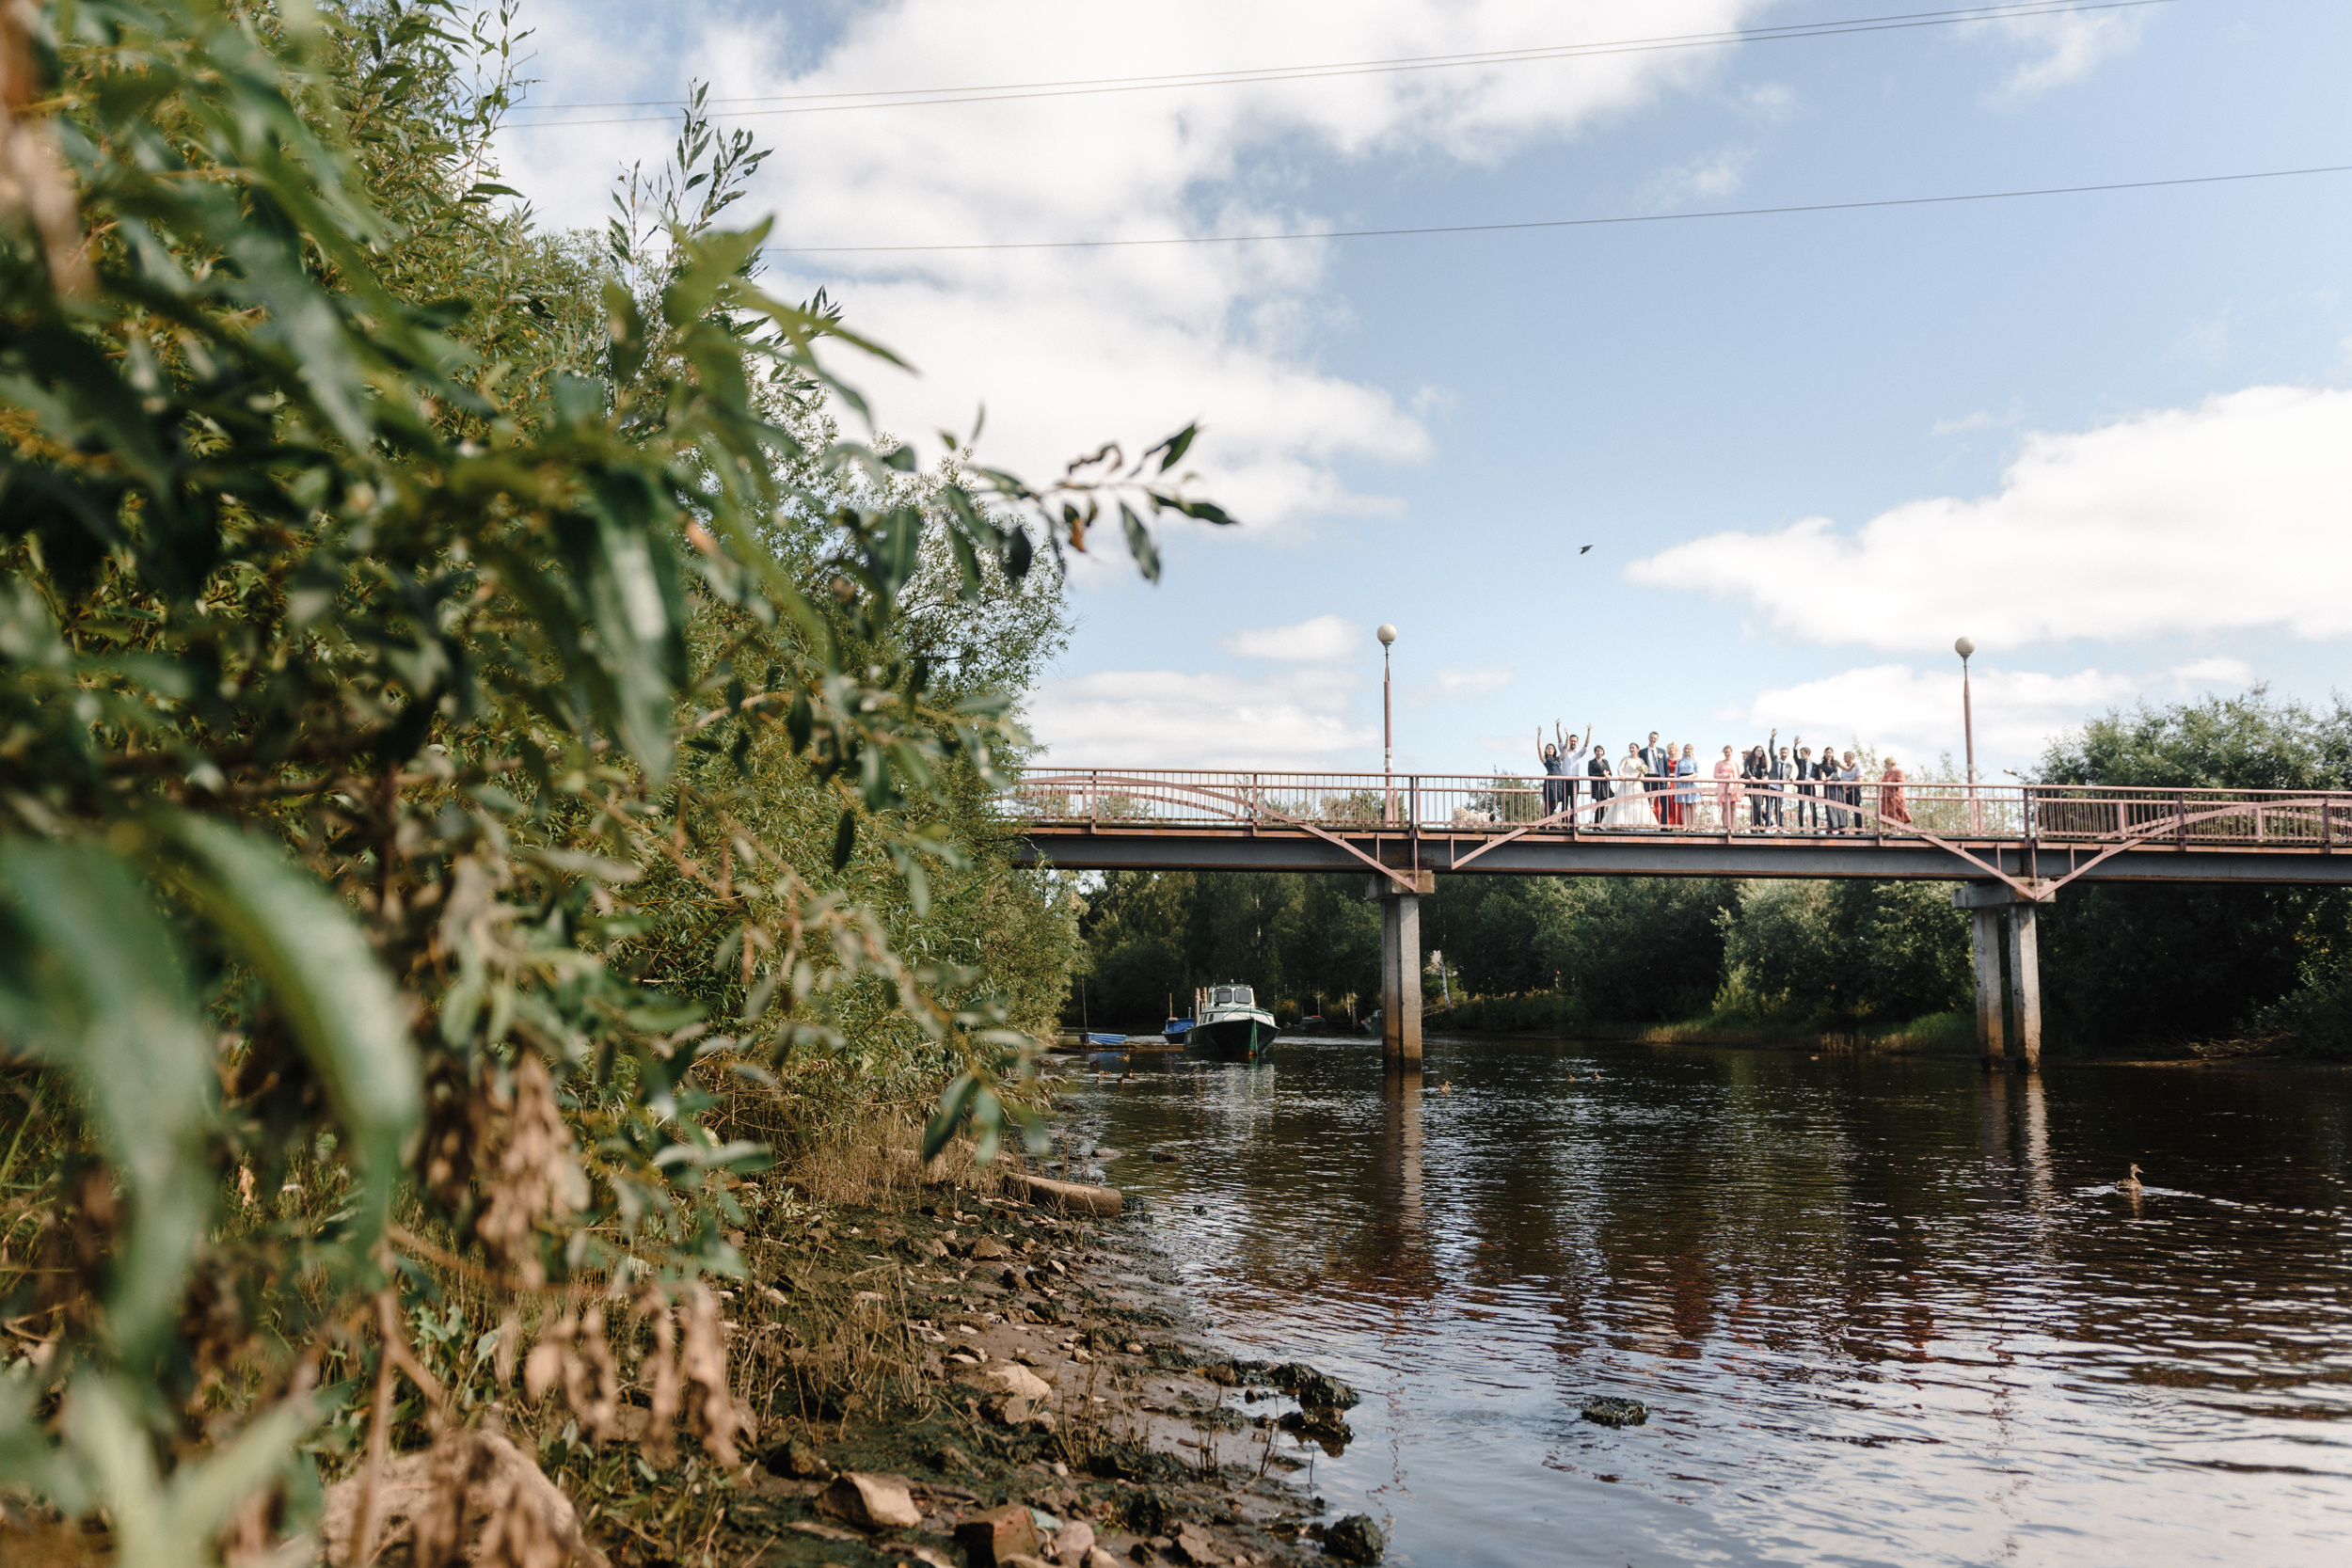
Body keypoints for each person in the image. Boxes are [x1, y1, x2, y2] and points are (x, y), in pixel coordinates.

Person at [1555, 722, 1594, 820]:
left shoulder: (1579, 753)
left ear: (1577, 742)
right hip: (1564, 780)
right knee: (1564, 803)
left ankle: (1573, 824)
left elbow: (1586, 744)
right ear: (1569, 741)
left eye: (1574, 741)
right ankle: (1564, 824)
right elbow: (1559, 740)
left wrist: (1589, 731)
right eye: (1571, 741)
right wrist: (1558, 727)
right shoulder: (1564, 751)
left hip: (1575, 781)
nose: (1573, 743)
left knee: (1573, 803)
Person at [1608, 744, 1650, 829]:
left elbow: (1643, 772)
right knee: (1623, 802)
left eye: (1633, 748)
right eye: (1630, 748)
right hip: (1626, 782)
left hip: (1636, 783)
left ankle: (1639, 823)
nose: (1631, 749)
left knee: (1637, 802)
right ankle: (1621, 823)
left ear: (1638, 750)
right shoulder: (1626, 759)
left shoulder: (1641, 760)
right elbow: (1620, 768)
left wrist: (1641, 776)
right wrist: (1621, 775)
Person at [1535, 729, 1568, 819]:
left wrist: (1567, 737)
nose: (1550, 750)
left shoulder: (1558, 759)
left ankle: (1547, 819)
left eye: (1552, 748)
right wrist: (1539, 735)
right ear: (1546, 750)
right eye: (1548, 748)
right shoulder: (1545, 759)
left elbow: (1565, 749)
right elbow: (1539, 747)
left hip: (1559, 782)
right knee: (1549, 802)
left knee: (1556, 802)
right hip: (1550, 782)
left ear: (1554, 750)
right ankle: (1546, 820)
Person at [1638, 731, 1669, 823]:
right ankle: (1646, 823)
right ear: (1648, 738)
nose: (1653, 740)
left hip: (1660, 778)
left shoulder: (1661, 751)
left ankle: (1664, 825)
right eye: (1652, 738)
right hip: (1649, 778)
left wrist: (1667, 780)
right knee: (1646, 801)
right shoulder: (1642, 752)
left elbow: (1665, 766)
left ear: (1657, 739)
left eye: (1655, 738)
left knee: (1664, 801)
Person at [1585, 737, 1614, 824]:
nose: (1599, 752)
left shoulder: (1605, 761)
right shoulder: (1591, 762)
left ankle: (1599, 824)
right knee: (1599, 805)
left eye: (1601, 751)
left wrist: (1607, 775)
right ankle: (1596, 824)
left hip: (1605, 786)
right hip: (1597, 786)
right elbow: (1590, 774)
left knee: (1603, 805)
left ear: (1603, 752)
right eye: (1597, 751)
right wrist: (1602, 774)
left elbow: (1610, 773)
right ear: (1595, 752)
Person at [1713, 744, 1740, 830]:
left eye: (1728, 752)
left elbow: (1738, 776)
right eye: (1725, 752)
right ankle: (1725, 825)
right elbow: (1715, 775)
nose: (1727, 754)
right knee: (1725, 806)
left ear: (1731, 752)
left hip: (1733, 785)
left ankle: (1732, 825)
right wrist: (1725, 775)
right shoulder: (1719, 763)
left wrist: (1738, 787)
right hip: (1723, 785)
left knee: (1733, 806)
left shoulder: (1735, 764)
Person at [1880, 756, 1912, 828]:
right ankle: (1889, 830)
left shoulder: (1898, 772)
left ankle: (1899, 830)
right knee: (1887, 813)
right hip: (1886, 797)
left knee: (1899, 812)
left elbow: (1902, 782)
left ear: (1889, 764)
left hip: (1896, 796)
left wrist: (1891, 783)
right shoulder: (1886, 773)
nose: (1885, 766)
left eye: (1886, 764)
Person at [1793, 743, 1819, 832]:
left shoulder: (1815, 765)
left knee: (1813, 809)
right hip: (1802, 787)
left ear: (1807, 753)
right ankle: (1801, 829)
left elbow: (1818, 777)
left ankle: (1815, 829)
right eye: (1800, 753)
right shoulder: (1800, 762)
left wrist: (1814, 779)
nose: (1801, 755)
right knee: (1801, 808)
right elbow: (1795, 757)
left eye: (1802, 753)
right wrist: (1795, 746)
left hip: (1811, 788)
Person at [1676, 744, 1698, 829]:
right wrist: (1676, 784)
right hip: (1681, 783)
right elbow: (1676, 774)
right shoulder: (1680, 761)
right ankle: (1684, 825)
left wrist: (1688, 777)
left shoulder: (1694, 761)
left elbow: (1697, 773)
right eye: (1685, 748)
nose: (1687, 750)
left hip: (1691, 783)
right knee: (1683, 805)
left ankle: (1692, 825)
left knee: (1692, 805)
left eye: (1689, 749)